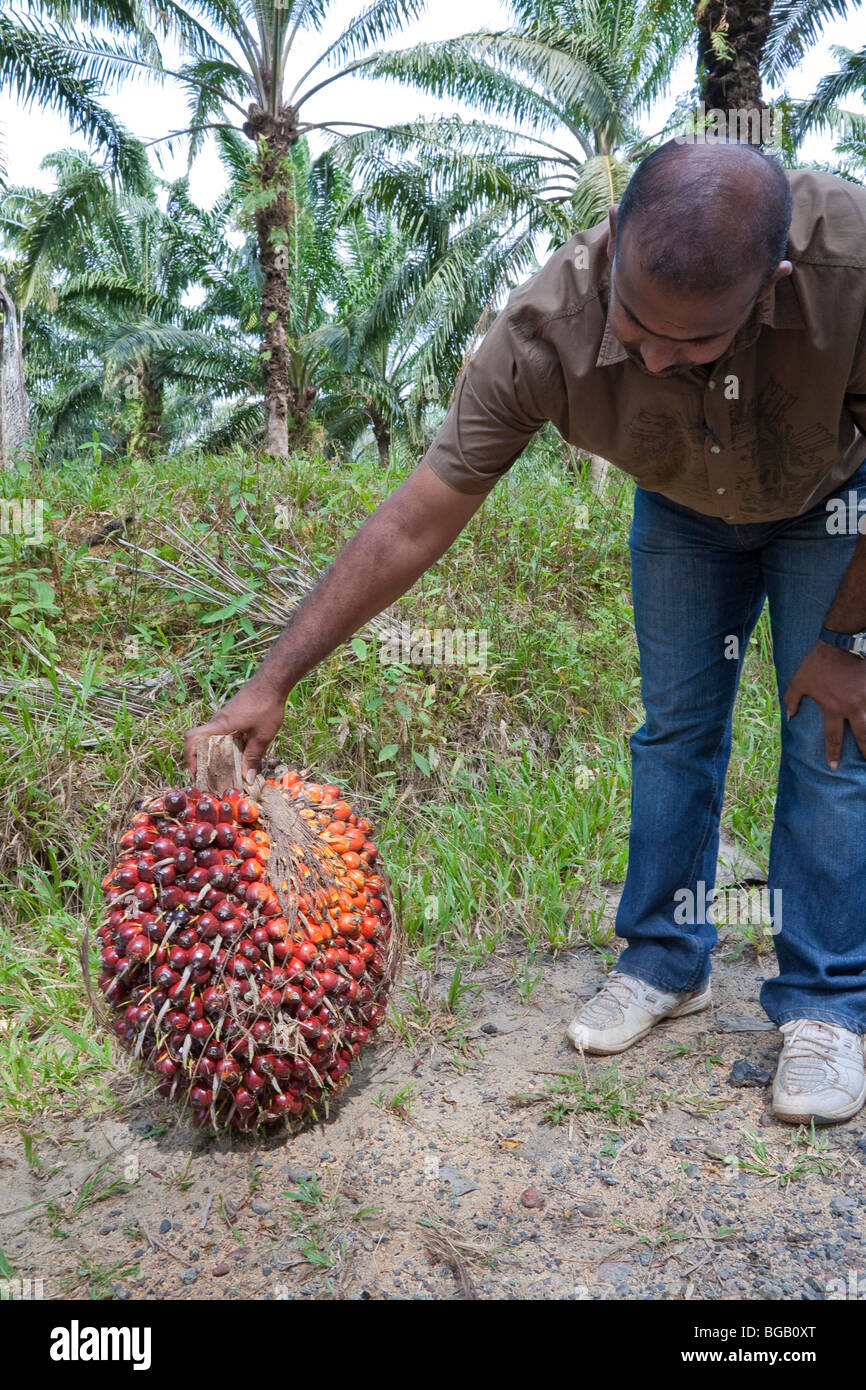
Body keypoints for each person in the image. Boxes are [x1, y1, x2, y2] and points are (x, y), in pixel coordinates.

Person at [185, 138, 866, 1127]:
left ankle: (825, 1006)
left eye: (692, 344)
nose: (651, 358)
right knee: (674, 727)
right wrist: (274, 676)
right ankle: (663, 959)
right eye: (635, 325)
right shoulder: (543, 328)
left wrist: (844, 645)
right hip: (680, 509)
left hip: (833, 504)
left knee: (829, 733)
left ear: (769, 289)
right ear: (615, 245)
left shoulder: (851, 268)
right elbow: (416, 516)